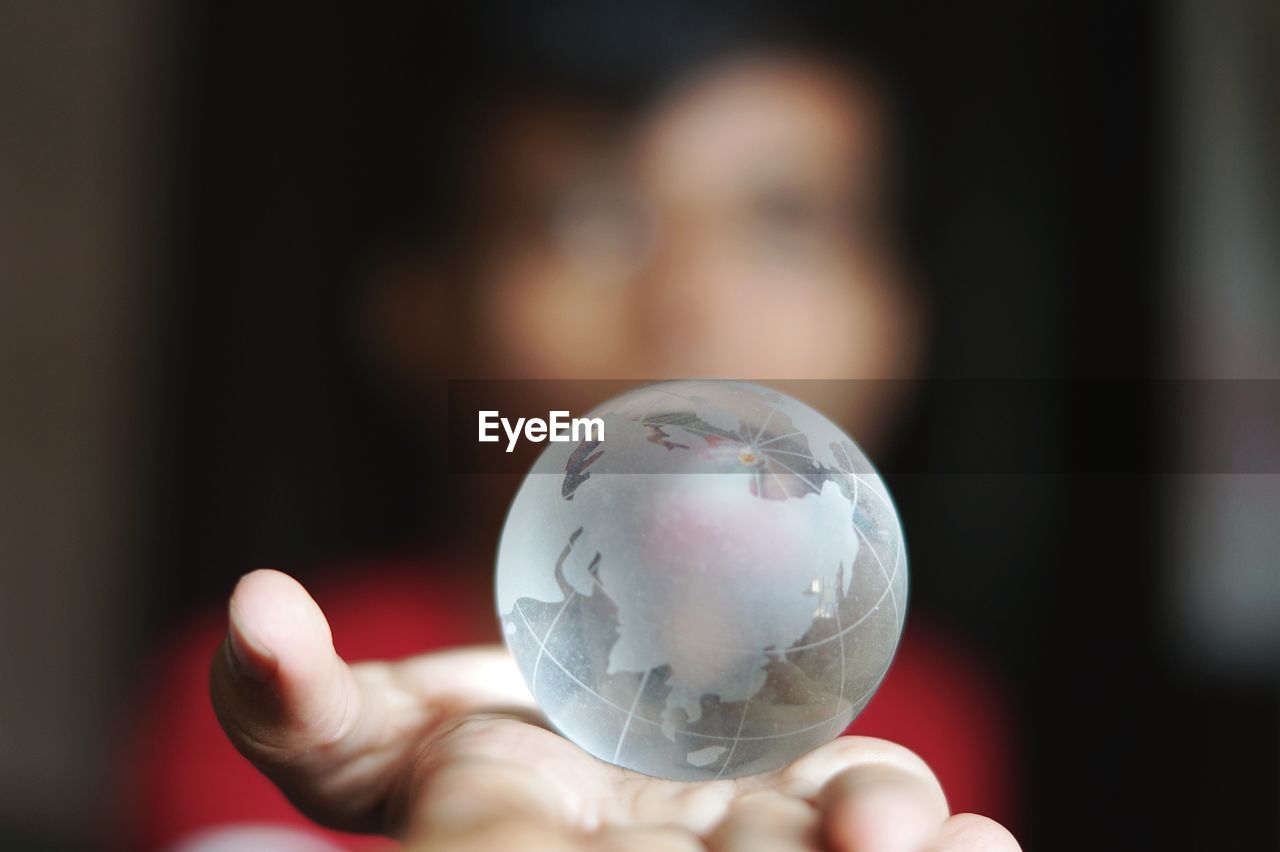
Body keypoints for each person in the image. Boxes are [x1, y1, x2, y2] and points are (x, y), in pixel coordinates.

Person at [120, 39, 1020, 852]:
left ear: (903, 324)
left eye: (785, 222)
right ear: (417, 312)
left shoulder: (926, 722)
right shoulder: (271, 694)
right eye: (592, 218)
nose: (692, 298)